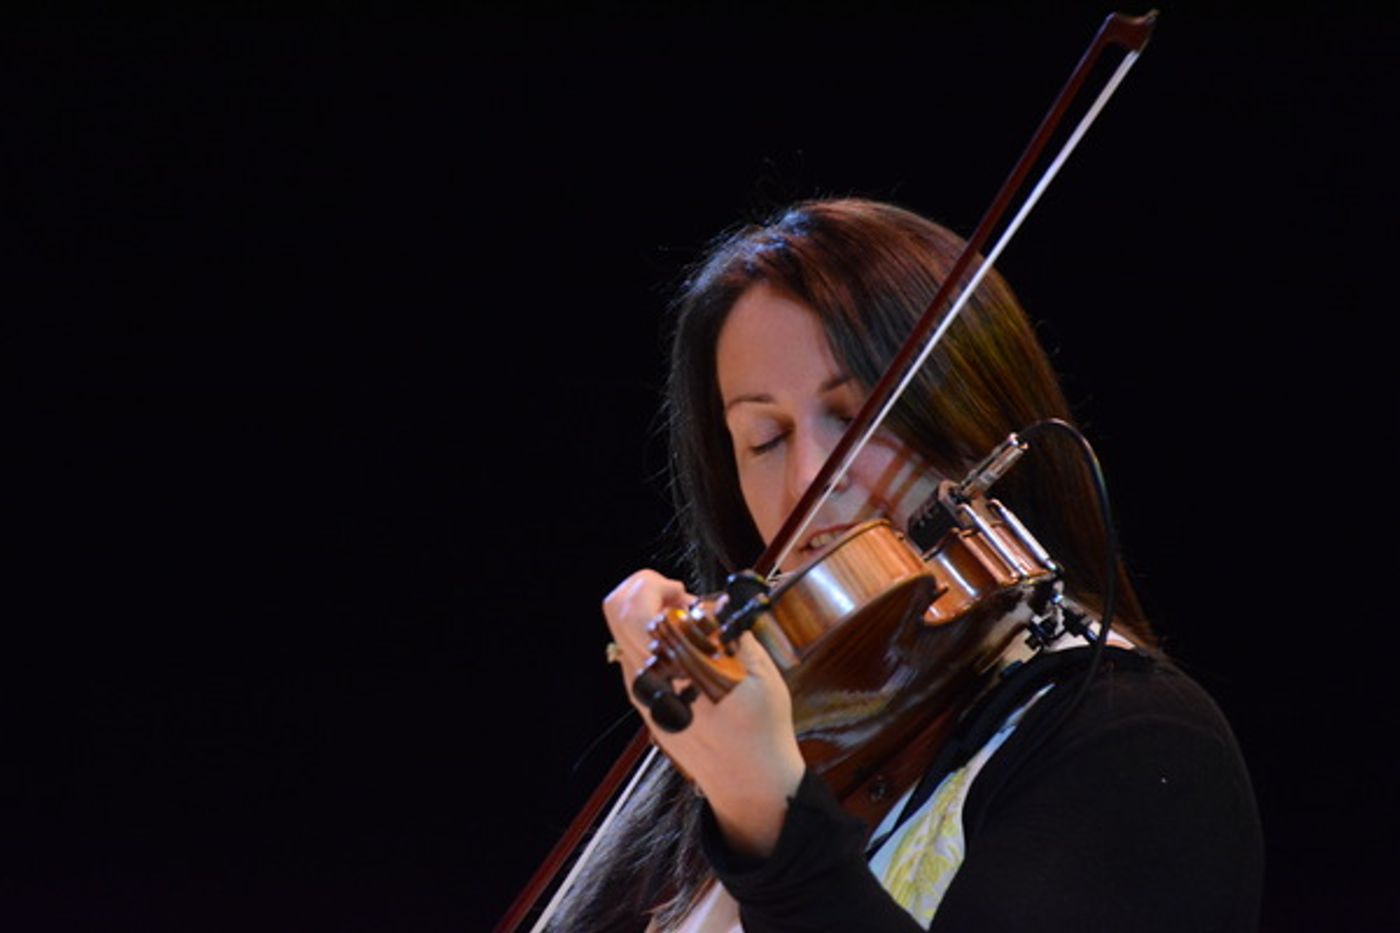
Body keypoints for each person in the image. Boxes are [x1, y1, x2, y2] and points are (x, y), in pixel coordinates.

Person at [552, 198, 1263, 931]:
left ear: (970, 414)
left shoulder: (1134, 741)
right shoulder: (757, 739)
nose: (810, 480)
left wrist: (768, 808)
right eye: (765, 439)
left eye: (858, 417)